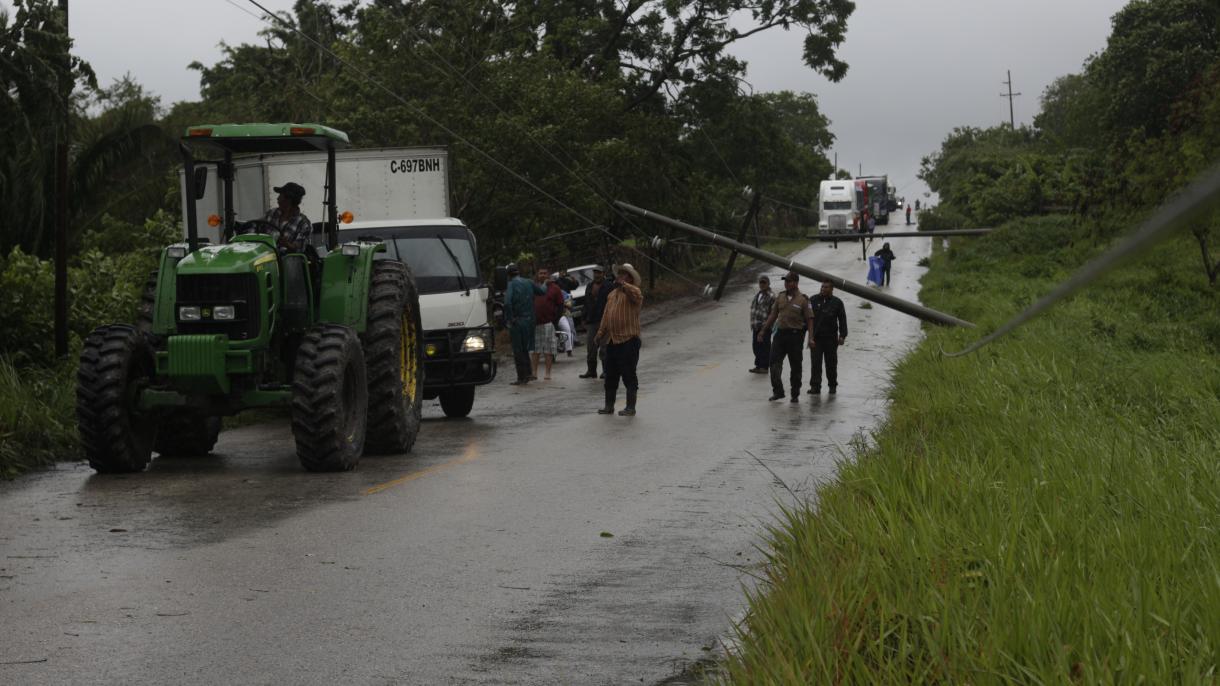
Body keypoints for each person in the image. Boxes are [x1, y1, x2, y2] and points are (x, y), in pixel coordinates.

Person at [756, 271, 813, 402]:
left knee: (796, 366)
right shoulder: (780, 297)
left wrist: (810, 337)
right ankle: (778, 391)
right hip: (780, 335)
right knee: (774, 363)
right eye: (785, 281)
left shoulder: (803, 299)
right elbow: (773, 315)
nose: (786, 283)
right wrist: (763, 330)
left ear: (796, 283)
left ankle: (795, 393)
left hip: (795, 336)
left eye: (789, 281)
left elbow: (810, 319)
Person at [595, 263, 643, 416]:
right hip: (612, 340)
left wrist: (624, 285)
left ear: (629, 278)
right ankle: (609, 406)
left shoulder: (634, 292)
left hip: (628, 340)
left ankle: (631, 407)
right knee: (610, 375)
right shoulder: (612, 294)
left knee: (629, 374)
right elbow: (606, 316)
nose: (620, 276)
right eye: (620, 274)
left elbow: (636, 294)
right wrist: (600, 333)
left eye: (624, 274)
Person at [504, 264, 545, 385]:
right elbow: (542, 292)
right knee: (525, 348)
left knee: (518, 350)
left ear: (508, 275)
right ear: (518, 272)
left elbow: (507, 304)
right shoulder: (529, 282)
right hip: (530, 321)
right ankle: (529, 373)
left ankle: (522, 377)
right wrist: (545, 284)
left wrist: (510, 319)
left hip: (518, 321)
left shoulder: (511, 285)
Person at [808, 279, 847, 395]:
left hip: (831, 339)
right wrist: (809, 337)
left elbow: (842, 319)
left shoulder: (837, 302)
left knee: (831, 363)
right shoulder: (813, 300)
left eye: (826, 287)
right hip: (816, 338)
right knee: (815, 363)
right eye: (822, 287)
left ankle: (832, 385)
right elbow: (808, 318)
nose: (823, 289)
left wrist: (842, 335)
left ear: (832, 289)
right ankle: (815, 386)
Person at [531, 267, 564, 380]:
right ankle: (534, 373)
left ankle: (547, 373)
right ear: (537, 275)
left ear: (548, 275)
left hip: (548, 323)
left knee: (548, 350)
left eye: (545, 273)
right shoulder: (534, 288)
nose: (543, 275)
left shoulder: (555, 288)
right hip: (535, 324)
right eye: (541, 273)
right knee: (535, 349)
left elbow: (560, 305)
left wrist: (556, 320)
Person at [579, 266, 609, 378]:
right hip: (591, 321)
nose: (597, 275)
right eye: (595, 273)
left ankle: (606, 371)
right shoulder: (589, 286)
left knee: (604, 347)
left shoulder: (608, 286)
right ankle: (591, 370)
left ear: (603, 273)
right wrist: (583, 318)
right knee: (591, 347)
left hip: (604, 321)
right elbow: (586, 303)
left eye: (599, 273)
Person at [748, 275, 775, 373]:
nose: (762, 285)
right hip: (756, 325)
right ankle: (758, 365)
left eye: (764, 283)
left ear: (768, 284)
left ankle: (764, 367)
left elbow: (773, 313)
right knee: (756, 347)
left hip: (765, 326)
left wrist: (765, 328)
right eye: (761, 283)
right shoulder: (758, 295)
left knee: (764, 347)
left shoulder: (771, 296)